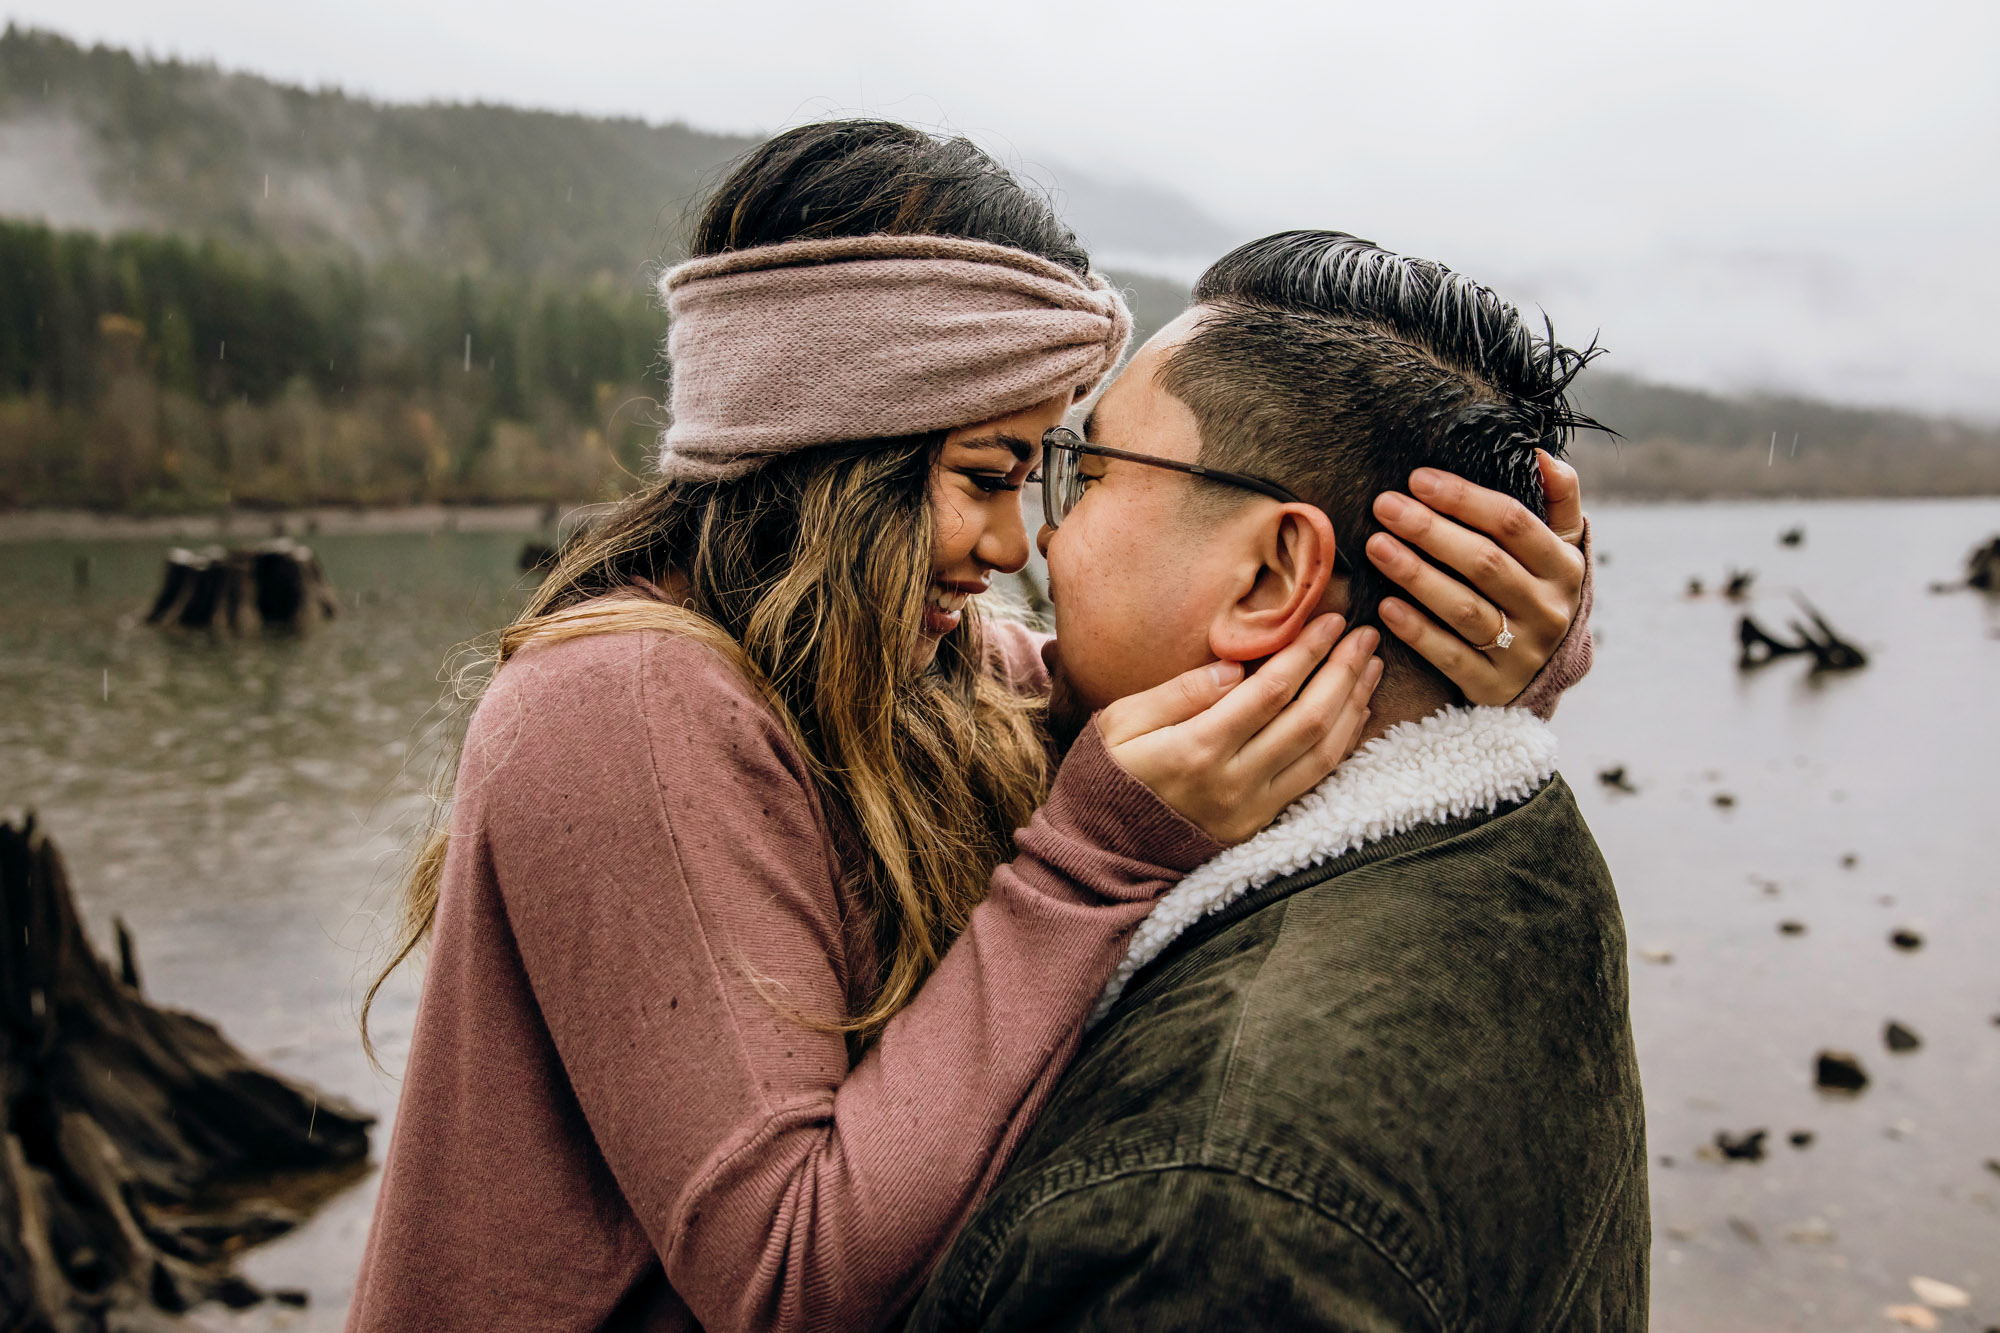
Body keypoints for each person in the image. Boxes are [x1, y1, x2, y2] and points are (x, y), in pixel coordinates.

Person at [346, 126, 1599, 1333]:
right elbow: (787, 1281)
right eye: (988, 475)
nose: (1017, 546)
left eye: (1051, 473)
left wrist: (1491, 640)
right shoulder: (615, 700)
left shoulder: (917, 668)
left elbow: (1216, 706)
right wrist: (1087, 864)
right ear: (834, 455)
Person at [907, 231, 1647, 1332]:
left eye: (1089, 472)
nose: (1039, 541)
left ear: (1270, 574)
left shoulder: (1202, 1213)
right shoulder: (1514, 842)